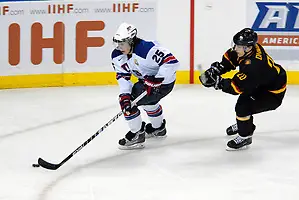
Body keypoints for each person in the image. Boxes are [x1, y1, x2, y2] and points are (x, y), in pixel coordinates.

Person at [199, 28, 287, 151]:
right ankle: (244, 124)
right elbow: (231, 58)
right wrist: (219, 68)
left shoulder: (254, 65)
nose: (235, 48)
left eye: (238, 46)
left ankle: (245, 136)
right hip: (262, 83)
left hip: (272, 93)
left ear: (248, 48)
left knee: (243, 106)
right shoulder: (250, 50)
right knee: (245, 103)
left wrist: (217, 82)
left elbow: (237, 87)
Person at [111, 22, 179, 150]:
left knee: (131, 102)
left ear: (131, 41)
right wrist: (124, 94)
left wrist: (158, 79)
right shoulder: (118, 55)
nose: (119, 47)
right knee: (140, 100)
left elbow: (172, 63)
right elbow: (123, 77)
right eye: (117, 43)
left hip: (164, 84)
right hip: (146, 83)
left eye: (122, 43)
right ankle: (158, 128)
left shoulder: (147, 49)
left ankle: (137, 134)